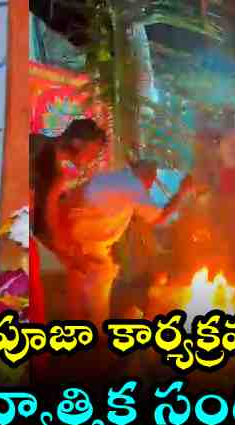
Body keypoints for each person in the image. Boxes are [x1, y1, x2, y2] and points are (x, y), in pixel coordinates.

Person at [52, 160, 196, 324]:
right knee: (97, 299)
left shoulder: (114, 178)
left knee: (78, 296)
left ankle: (79, 332)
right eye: (152, 181)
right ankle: (96, 335)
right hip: (86, 245)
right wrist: (182, 192)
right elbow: (159, 218)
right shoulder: (132, 186)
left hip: (75, 239)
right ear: (147, 176)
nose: (149, 187)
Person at [30, 118, 108, 323]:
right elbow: (45, 226)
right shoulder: (51, 168)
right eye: (93, 151)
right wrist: (74, 258)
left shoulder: (40, 144)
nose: (93, 158)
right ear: (77, 143)